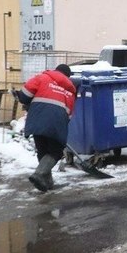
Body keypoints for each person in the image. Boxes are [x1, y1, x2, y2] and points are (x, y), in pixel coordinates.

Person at [16, 64, 76, 193]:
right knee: (56, 152)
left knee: (42, 150)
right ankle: (39, 174)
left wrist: (21, 97)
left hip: (37, 120)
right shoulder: (70, 91)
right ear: (67, 77)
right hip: (57, 123)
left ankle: (47, 182)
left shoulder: (42, 78)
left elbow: (25, 95)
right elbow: (69, 114)